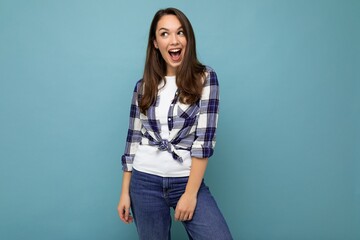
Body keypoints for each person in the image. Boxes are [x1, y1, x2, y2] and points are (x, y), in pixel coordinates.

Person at [117, 7, 233, 240]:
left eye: (180, 32)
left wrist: (190, 194)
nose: (174, 40)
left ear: (188, 39)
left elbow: (204, 142)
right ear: (155, 43)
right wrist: (124, 193)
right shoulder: (143, 87)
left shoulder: (206, 78)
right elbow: (133, 140)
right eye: (164, 33)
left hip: (186, 181)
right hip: (144, 182)